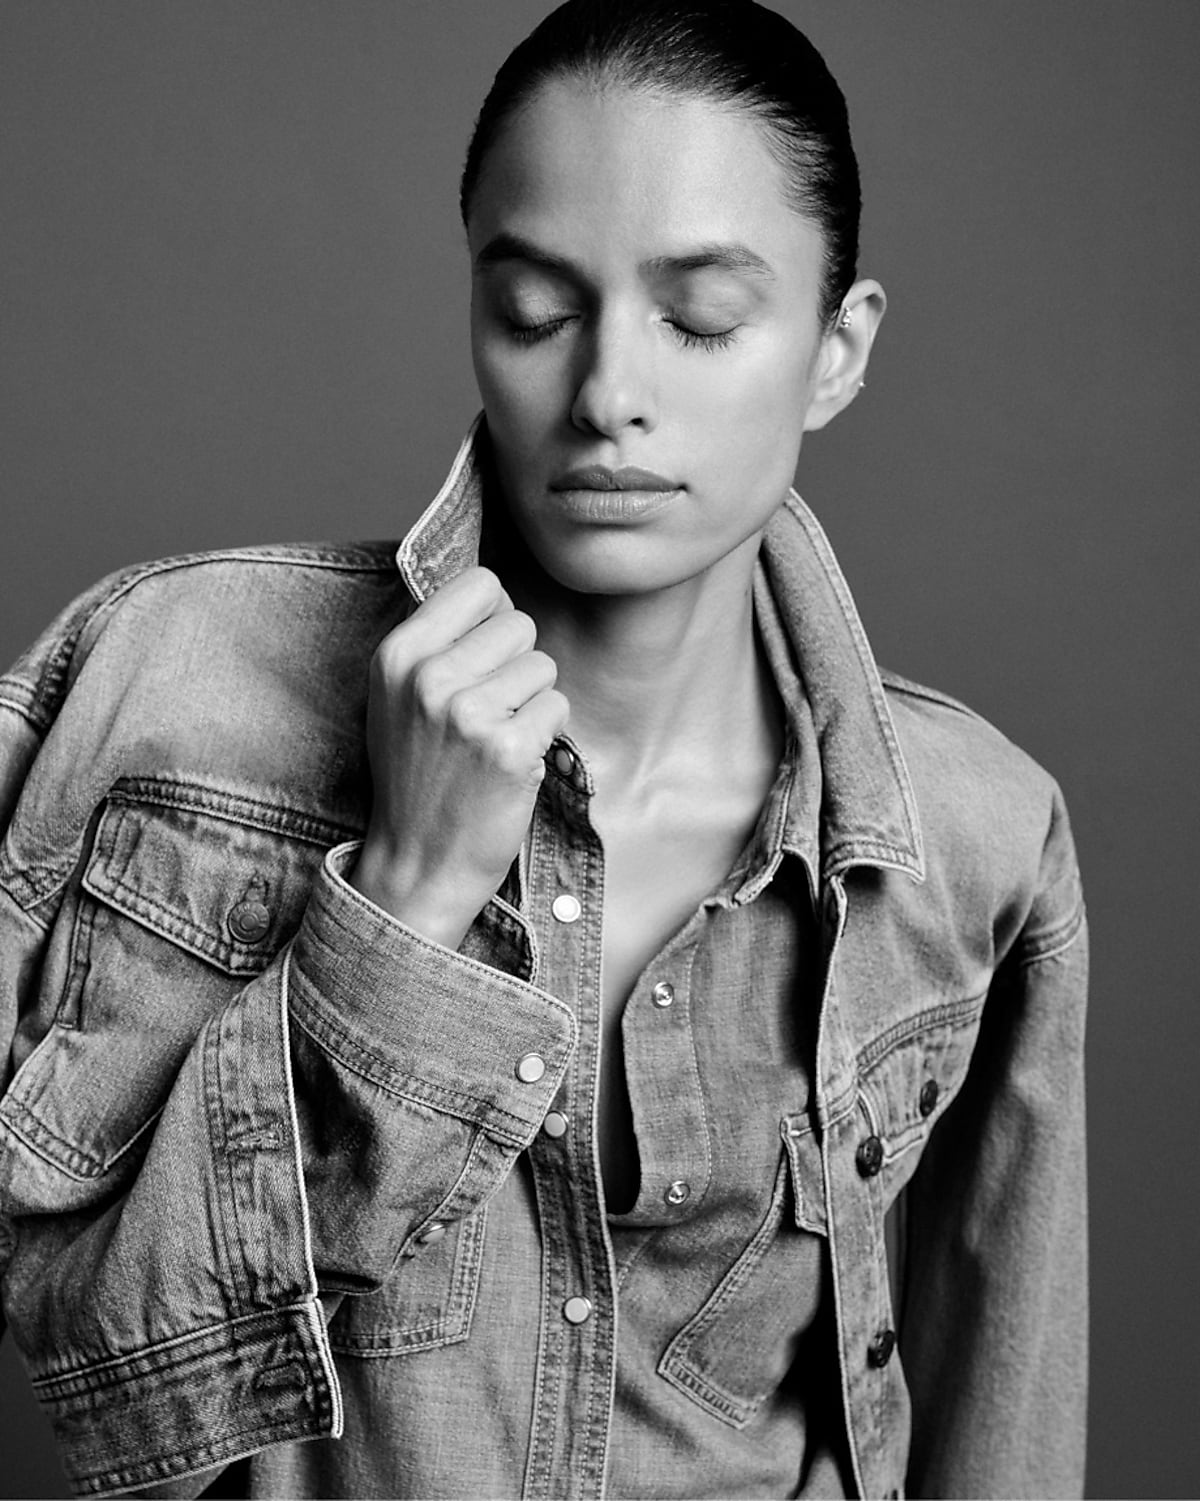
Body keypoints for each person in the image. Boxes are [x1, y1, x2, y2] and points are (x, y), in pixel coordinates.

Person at [0, 1, 1088, 1497]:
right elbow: (122, 1383)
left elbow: (1002, 1429)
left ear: (837, 353)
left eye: (700, 317)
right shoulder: (171, 686)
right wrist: (401, 907)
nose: (605, 395)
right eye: (532, 310)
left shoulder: (978, 833)